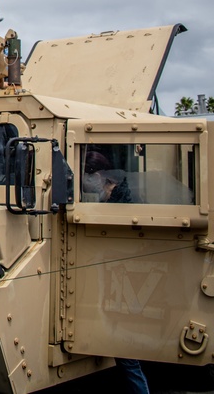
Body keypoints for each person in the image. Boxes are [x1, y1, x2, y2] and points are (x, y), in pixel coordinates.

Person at [82, 150, 149, 394]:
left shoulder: (123, 203)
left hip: (124, 286)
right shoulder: (111, 199)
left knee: (127, 356)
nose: (85, 183)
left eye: (88, 177)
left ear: (101, 176)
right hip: (116, 284)